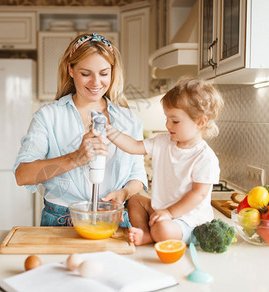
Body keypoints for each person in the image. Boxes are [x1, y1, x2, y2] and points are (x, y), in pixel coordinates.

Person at [13, 33, 148, 227]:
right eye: (86, 74)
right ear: (71, 69)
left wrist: (124, 193)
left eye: (103, 73)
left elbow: (137, 174)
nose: (95, 83)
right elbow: (22, 175)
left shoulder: (128, 120)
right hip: (61, 221)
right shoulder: (49, 117)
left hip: (113, 219)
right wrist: (75, 158)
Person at [106, 77, 224, 245]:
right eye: (167, 118)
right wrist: (110, 131)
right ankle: (144, 232)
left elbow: (198, 194)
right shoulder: (163, 142)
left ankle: (149, 237)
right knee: (135, 200)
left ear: (200, 122)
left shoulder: (205, 157)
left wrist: (169, 212)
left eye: (175, 121)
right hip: (163, 211)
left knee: (163, 229)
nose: (168, 125)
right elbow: (133, 146)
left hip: (189, 220)